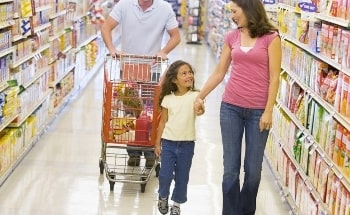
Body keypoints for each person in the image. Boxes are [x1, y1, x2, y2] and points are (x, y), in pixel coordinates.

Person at [194, 0, 281, 214]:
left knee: (253, 171)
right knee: (230, 170)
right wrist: (200, 96)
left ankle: (246, 211)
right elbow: (219, 72)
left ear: (248, 8)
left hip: (258, 112)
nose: (232, 15)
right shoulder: (232, 37)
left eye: (234, 11)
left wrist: (268, 110)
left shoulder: (271, 37)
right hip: (230, 107)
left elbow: (275, 77)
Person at [101, 0, 181, 168]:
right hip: (129, 67)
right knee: (132, 114)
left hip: (153, 70)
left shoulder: (164, 8)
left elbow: (176, 36)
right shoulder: (124, 5)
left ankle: (151, 151)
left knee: (151, 114)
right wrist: (112, 49)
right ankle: (134, 152)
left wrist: (164, 51)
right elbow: (106, 27)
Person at [154, 60, 204, 215]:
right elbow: (162, 122)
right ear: (174, 80)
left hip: (187, 145)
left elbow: (200, 110)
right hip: (168, 143)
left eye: (190, 72)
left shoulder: (196, 95)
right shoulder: (168, 99)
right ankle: (163, 196)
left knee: (182, 177)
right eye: (184, 73)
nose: (189, 75)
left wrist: (200, 108)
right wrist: (157, 143)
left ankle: (176, 204)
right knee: (165, 175)